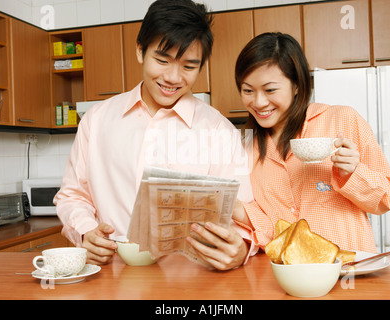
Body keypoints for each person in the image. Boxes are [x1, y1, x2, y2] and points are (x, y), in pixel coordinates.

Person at [54, 0, 257, 270]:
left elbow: (243, 211)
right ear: (140, 51)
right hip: (111, 278)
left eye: (188, 67)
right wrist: (85, 231)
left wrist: (242, 247)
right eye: (162, 60)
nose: (173, 77)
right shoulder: (97, 120)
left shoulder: (218, 130)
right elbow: (73, 195)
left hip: (191, 286)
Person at [234, 32, 390, 253]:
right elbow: (271, 228)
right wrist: (228, 207)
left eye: (270, 90)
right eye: (248, 90)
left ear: (296, 85)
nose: (258, 102)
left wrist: (353, 172)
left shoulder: (342, 120)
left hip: (348, 272)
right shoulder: (246, 147)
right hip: (288, 276)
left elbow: (389, 199)